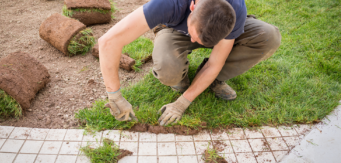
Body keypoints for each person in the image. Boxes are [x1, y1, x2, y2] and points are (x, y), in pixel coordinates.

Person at [98, 0, 281, 126]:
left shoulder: (235, 9)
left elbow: (215, 63)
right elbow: (108, 42)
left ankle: (215, 80)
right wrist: (115, 96)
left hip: (217, 27)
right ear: (192, 6)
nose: (197, 43)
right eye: (196, 36)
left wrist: (181, 104)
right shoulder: (169, 4)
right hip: (175, 28)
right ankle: (179, 76)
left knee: (269, 36)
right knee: (168, 70)